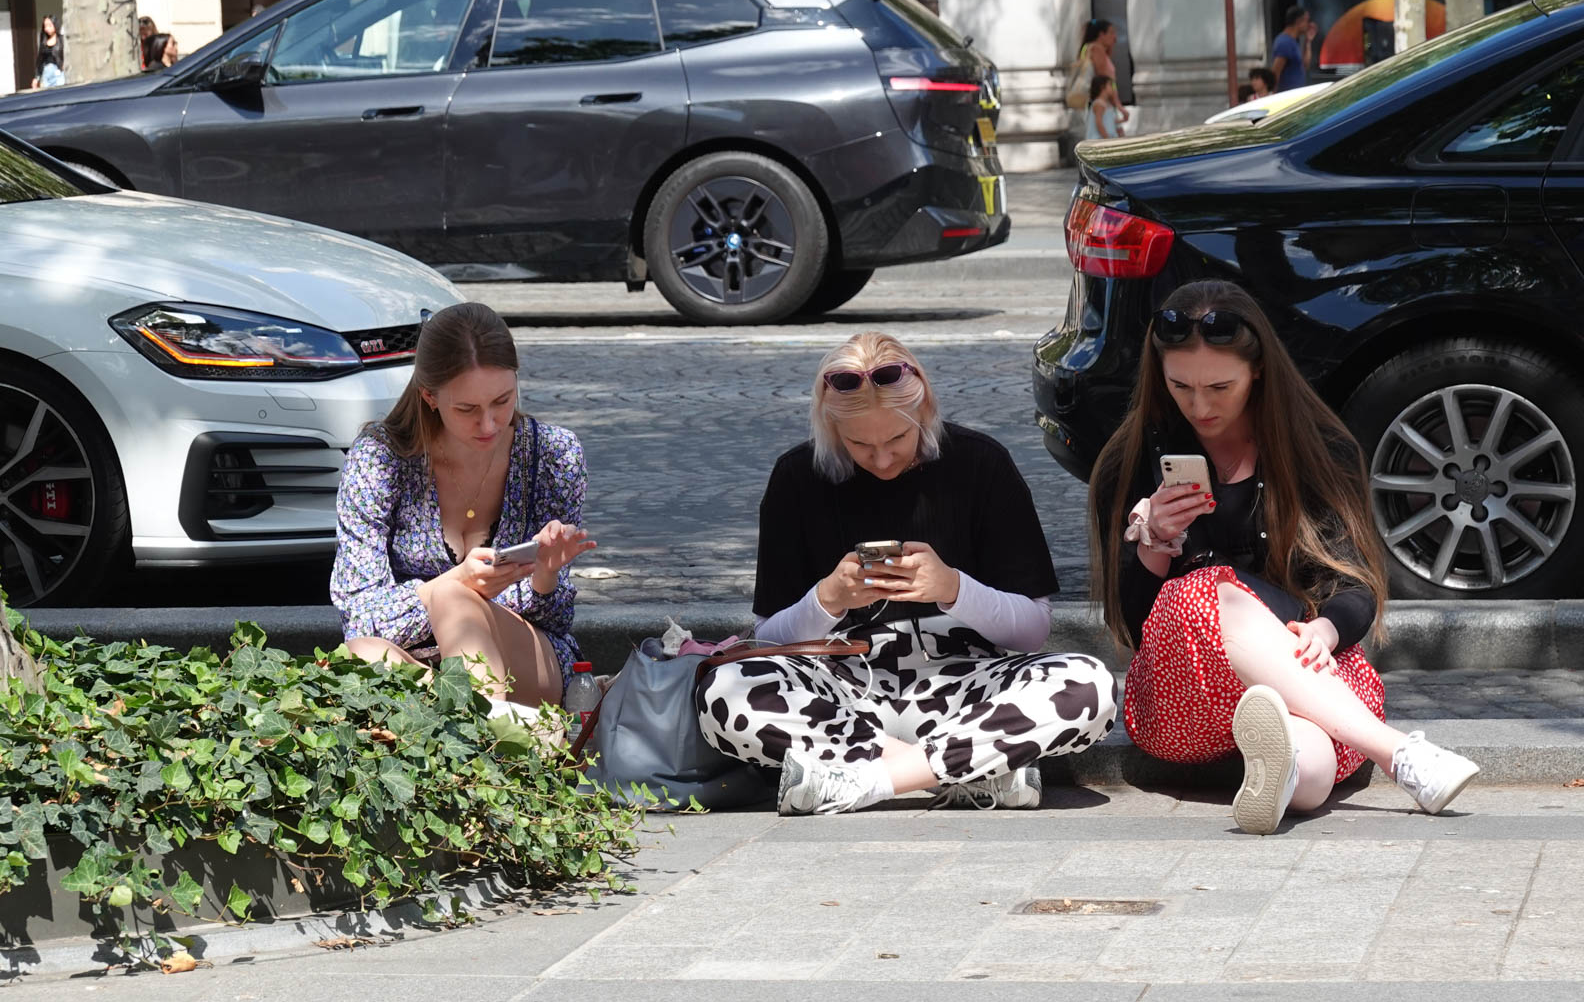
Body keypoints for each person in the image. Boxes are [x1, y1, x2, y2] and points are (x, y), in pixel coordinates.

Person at [1089, 280, 1480, 835]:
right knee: (1206, 587)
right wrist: (1152, 545)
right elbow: (1132, 626)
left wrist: (1325, 630)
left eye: (1219, 386)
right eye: (1180, 386)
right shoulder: (1130, 461)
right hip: (1182, 698)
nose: (1200, 405)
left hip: (1308, 673)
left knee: (1311, 757)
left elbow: (1356, 584)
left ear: (1258, 372)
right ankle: (1399, 754)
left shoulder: (1317, 449)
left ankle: (1285, 776)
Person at [697, 332, 1118, 815]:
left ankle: (866, 781)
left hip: (965, 682)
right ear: (831, 427)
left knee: (1088, 684)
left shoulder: (980, 462)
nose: (881, 459)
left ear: (925, 410)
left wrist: (953, 589)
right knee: (723, 690)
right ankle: (969, 771)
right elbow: (769, 640)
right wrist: (828, 600)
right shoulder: (797, 476)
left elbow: (1032, 631)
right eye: (858, 443)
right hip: (844, 685)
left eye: (898, 438)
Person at [332, 302, 595, 712]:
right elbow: (359, 616)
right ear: (430, 397)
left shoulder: (553, 455)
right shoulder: (380, 460)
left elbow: (557, 621)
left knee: (456, 603)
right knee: (357, 655)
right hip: (417, 661)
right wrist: (457, 581)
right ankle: (491, 727)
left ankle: (477, 736)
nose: (489, 424)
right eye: (467, 409)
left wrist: (545, 576)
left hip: (524, 661)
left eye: (502, 401)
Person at [1076, 19, 1130, 125]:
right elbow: (1105, 80)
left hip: (1091, 101)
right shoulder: (1097, 49)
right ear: (1101, 35)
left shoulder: (1086, 48)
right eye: (1111, 33)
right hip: (1103, 104)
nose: (1115, 37)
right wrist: (1118, 105)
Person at [1270, 6, 1311, 92]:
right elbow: (1275, 73)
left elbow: (1305, 65)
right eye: (1307, 21)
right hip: (1287, 95)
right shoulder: (1285, 42)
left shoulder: (1293, 41)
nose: (1308, 25)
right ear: (1298, 21)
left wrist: (1308, 41)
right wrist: (1273, 94)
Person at [31, 16, 64, 90]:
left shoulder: (61, 39)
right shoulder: (44, 42)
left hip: (58, 72)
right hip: (47, 73)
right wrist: (36, 78)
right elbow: (40, 61)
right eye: (45, 26)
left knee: (60, 91)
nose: (47, 28)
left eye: (49, 25)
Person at [1086, 74, 1122, 140]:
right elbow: (1099, 123)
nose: (1112, 88)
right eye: (1110, 85)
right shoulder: (1099, 104)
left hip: (1108, 139)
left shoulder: (1108, 104)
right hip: (1099, 140)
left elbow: (1110, 121)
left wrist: (1123, 120)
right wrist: (1107, 139)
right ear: (1102, 87)